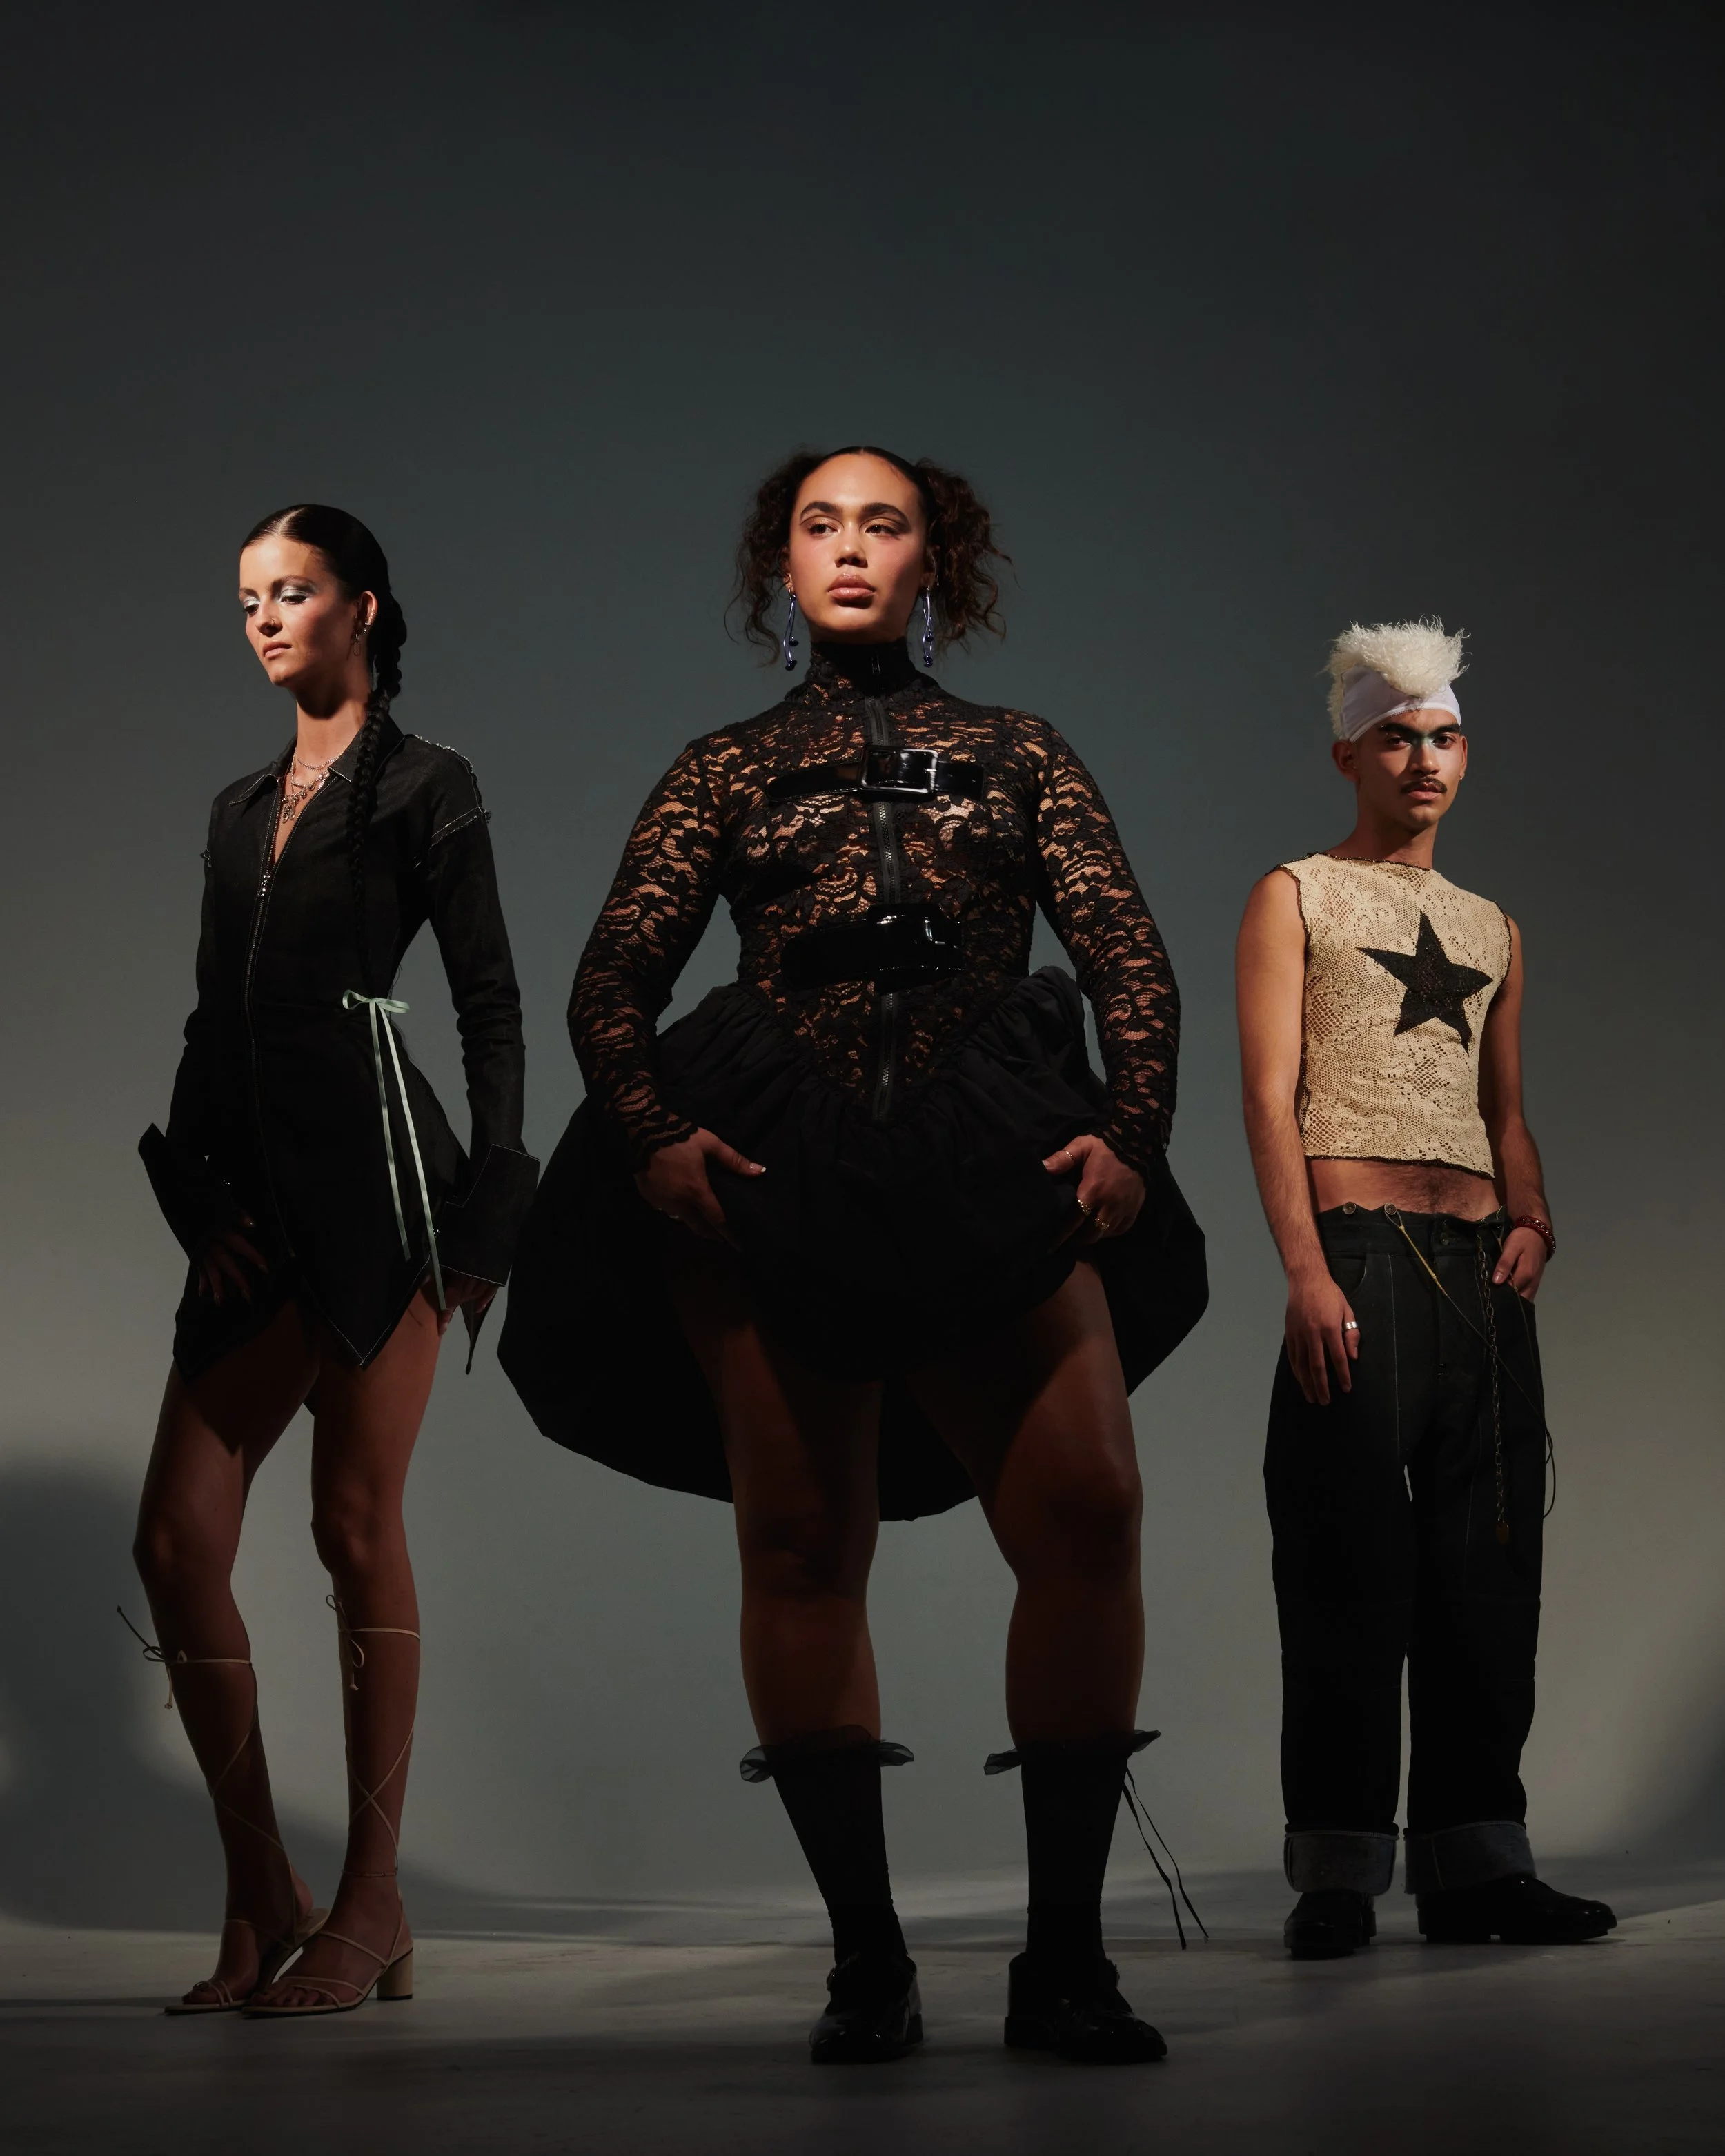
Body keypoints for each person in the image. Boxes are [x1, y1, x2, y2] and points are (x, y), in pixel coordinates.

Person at [502, 446, 1206, 2064]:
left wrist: (1136, 1129)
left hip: (992, 1151)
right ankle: (867, 1963)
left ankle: (1067, 1963)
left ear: (931, 564)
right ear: (780, 566)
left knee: (1090, 1506)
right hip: (781, 1161)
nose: (847, 547)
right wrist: (651, 1136)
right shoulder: (719, 766)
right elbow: (611, 977)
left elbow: (1129, 959)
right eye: (817, 524)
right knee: (802, 1545)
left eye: (880, 523)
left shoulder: (1022, 754)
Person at [132, 505, 537, 2017]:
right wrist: (194, 1203)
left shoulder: (428, 786)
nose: (263, 615)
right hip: (250, 1200)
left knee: (352, 1524)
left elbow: (488, 1000)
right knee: (176, 1543)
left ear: (361, 608)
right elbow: (204, 1027)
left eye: (290, 590)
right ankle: (264, 1896)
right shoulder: (239, 807)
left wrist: (493, 1203)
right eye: (245, 595)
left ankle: (370, 1908)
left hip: (384, 1194)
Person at [1234, 618, 1615, 1959]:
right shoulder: (1292, 891)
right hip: (1357, 1257)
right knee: (1345, 1569)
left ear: (1467, 750)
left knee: (1485, 1572)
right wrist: (1298, 1267)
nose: (1420, 756)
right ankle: (1335, 1870)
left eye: (1441, 732)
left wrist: (1534, 1214)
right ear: (1346, 746)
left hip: (1478, 1274)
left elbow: (1502, 1111)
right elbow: (1269, 1100)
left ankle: (1475, 1866)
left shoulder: (1490, 923)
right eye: (1393, 732)